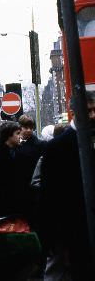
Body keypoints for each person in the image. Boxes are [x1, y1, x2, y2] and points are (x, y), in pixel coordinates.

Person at [38, 92, 95, 279]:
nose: (93, 115)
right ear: (73, 112)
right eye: (88, 111)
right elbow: (49, 195)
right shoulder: (57, 147)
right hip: (73, 230)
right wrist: (56, 237)